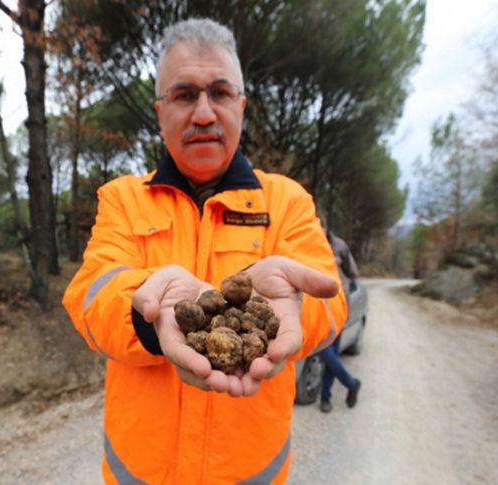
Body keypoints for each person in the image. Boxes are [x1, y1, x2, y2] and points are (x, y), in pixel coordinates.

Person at [62, 18, 347, 484]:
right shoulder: (121, 199)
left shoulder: (287, 200)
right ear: (159, 111)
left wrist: (284, 315)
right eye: (183, 94)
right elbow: (90, 298)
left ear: (241, 105)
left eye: (219, 92)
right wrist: (146, 317)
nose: (203, 114)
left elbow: (330, 302)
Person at [318, 231, 362, 413]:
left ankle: (325, 397)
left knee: (330, 354)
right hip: (316, 310)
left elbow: (353, 273)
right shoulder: (305, 242)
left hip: (336, 310)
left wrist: (340, 282)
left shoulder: (340, 246)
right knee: (326, 353)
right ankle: (351, 383)